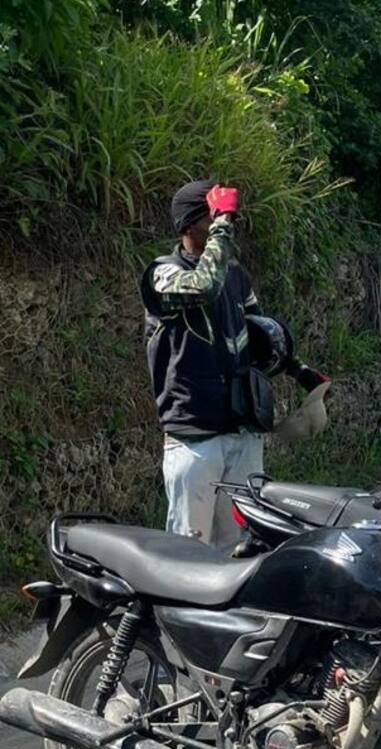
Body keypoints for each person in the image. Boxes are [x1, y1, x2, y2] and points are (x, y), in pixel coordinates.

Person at [140, 179, 268, 549]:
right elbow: (203, 285)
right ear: (189, 222)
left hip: (240, 432)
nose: (222, 222)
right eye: (210, 215)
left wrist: (300, 371)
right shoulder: (162, 274)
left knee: (242, 547)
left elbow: (260, 334)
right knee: (190, 550)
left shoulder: (235, 275)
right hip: (194, 438)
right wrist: (222, 223)